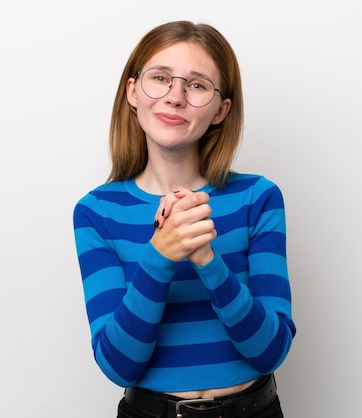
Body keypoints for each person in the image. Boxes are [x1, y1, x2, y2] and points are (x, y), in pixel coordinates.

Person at [73, 20, 296, 418]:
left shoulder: (258, 198)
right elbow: (118, 365)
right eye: (160, 78)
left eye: (196, 85)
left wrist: (207, 259)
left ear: (219, 110)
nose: (175, 97)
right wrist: (159, 254)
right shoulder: (96, 211)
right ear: (132, 92)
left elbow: (270, 351)